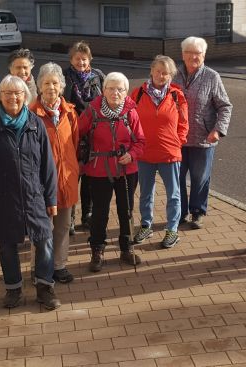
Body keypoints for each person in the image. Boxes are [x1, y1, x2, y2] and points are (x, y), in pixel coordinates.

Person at [0, 75, 61, 310]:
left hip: (34, 195)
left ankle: (45, 287)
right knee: (6, 244)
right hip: (2, 198)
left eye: (18, 93)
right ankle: (13, 289)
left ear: (25, 96)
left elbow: (48, 164)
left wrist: (51, 198)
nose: (13, 97)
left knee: (44, 240)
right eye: (8, 93)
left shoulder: (35, 124)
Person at [78, 72, 145, 272]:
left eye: (120, 89)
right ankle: (97, 250)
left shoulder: (131, 111)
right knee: (100, 212)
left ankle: (126, 248)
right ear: (104, 89)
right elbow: (76, 134)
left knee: (127, 211)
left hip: (126, 169)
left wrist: (132, 155)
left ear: (126, 91)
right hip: (99, 169)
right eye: (111, 88)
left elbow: (141, 141)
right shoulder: (92, 111)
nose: (115, 93)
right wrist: (79, 160)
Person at [174, 36, 232, 230]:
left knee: (200, 178)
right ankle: (180, 212)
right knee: (177, 177)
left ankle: (197, 212)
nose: (193, 57)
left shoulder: (212, 76)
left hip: (204, 138)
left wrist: (218, 129)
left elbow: (225, 106)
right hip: (177, 139)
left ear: (204, 55)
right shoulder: (173, 75)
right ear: (182, 55)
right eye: (189, 52)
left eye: (197, 53)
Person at [131, 55, 189, 249]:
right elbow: (129, 120)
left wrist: (177, 142)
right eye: (158, 71)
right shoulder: (137, 93)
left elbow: (184, 124)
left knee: (174, 194)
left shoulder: (176, 96)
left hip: (169, 154)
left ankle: (172, 230)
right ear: (151, 71)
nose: (161, 75)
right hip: (145, 153)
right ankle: (146, 225)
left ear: (171, 75)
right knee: (146, 193)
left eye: (165, 73)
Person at [29, 62, 80, 284]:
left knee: (63, 226)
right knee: (42, 228)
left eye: (55, 83)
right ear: (39, 86)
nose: (51, 87)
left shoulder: (70, 113)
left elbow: (75, 144)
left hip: (67, 179)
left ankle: (59, 265)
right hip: (42, 183)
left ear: (62, 86)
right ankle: (38, 267)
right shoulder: (32, 113)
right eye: (46, 83)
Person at [63, 41, 106, 234]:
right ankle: (69, 217)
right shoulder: (65, 77)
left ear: (90, 59)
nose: (81, 62)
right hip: (72, 132)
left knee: (90, 176)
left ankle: (87, 215)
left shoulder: (99, 76)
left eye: (84, 58)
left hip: (94, 133)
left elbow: (106, 100)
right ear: (71, 60)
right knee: (73, 176)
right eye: (77, 58)